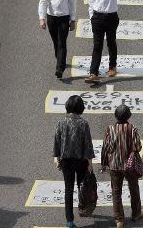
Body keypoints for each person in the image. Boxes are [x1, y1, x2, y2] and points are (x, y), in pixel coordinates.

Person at [53, 95, 95, 228]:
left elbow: (57, 141)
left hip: (66, 161)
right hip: (81, 161)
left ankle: (69, 221)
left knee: (68, 189)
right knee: (82, 187)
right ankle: (84, 208)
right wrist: (90, 163)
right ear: (80, 107)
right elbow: (88, 145)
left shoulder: (61, 123)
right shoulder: (84, 124)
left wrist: (56, 158)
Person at [101, 104, 143, 227]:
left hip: (114, 165)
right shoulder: (132, 128)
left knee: (116, 192)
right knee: (134, 189)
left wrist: (104, 164)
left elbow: (105, 148)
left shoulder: (110, 129)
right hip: (130, 166)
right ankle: (136, 213)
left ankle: (119, 219)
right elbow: (138, 147)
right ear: (129, 116)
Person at [38, 0, 77, 79]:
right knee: (56, 42)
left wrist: (73, 20)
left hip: (64, 18)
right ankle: (60, 60)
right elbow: (43, 2)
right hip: (51, 18)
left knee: (62, 43)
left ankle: (59, 68)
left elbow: (72, 3)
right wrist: (42, 18)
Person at [87, 0, 121, 83]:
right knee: (97, 45)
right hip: (97, 16)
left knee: (111, 42)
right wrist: (91, 16)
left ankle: (112, 66)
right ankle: (93, 72)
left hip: (111, 16)